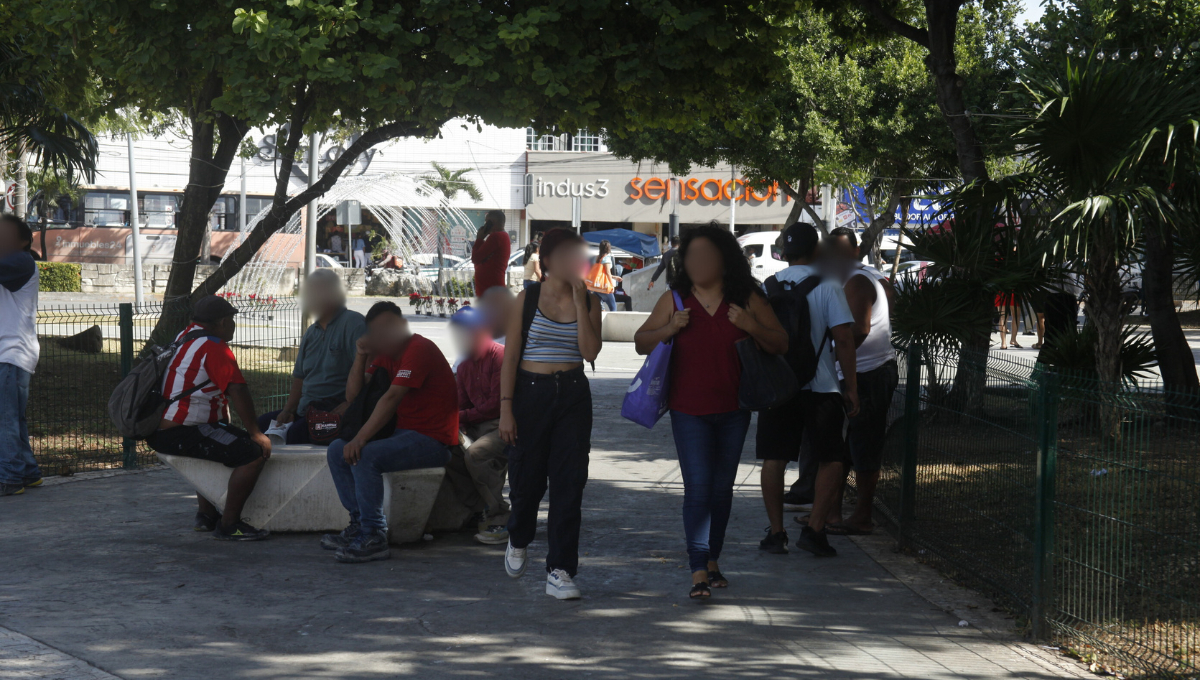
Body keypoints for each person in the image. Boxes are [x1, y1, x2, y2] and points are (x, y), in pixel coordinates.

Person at [635, 225, 787, 599]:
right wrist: (669, 327)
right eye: (692, 255)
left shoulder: (747, 296)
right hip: (688, 411)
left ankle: (713, 559)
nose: (699, 262)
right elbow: (641, 342)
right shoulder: (676, 299)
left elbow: (780, 342)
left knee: (721, 491)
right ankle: (698, 568)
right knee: (699, 489)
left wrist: (750, 325)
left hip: (735, 410)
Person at [498, 227, 603, 600]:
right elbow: (510, 356)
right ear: (547, 261)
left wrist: (579, 301)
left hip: (573, 395)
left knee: (569, 483)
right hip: (529, 394)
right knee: (526, 482)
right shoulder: (525, 299)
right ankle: (519, 534)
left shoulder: (589, 301)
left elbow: (590, 352)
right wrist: (506, 409)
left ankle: (560, 570)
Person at [323, 302, 457, 563]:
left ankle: (374, 534)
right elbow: (353, 396)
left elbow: (392, 397)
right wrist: (361, 354)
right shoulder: (385, 353)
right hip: (403, 433)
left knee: (367, 454)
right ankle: (359, 523)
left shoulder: (419, 349)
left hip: (434, 440)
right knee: (336, 450)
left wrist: (361, 438)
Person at [757, 222, 859, 558]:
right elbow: (843, 338)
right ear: (815, 251)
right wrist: (852, 388)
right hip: (821, 386)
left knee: (774, 459)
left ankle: (776, 534)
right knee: (831, 459)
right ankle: (815, 531)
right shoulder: (828, 285)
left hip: (778, 386)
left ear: (783, 252)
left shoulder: (767, 287)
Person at [146, 295, 272, 540]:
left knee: (216, 443)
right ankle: (230, 524)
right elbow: (237, 389)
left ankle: (205, 515)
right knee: (252, 454)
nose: (234, 326)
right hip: (182, 430)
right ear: (223, 322)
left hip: (164, 429)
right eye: (233, 320)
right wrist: (256, 434)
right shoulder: (213, 346)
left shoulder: (185, 336)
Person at [822, 227, 898, 536]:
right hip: (849, 374)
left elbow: (857, 331)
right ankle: (831, 513)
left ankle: (863, 515)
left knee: (864, 446)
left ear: (855, 252)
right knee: (838, 448)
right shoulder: (838, 280)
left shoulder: (857, 281)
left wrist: (826, 355)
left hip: (869, 373)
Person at [257, 269, 366, 444]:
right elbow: (299, 377)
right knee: (259, 427)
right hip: (305, 409)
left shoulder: (353, 323)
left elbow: (370, 371)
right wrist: (288, 410)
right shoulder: (311, 332)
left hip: (333, 409)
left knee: (294, 437)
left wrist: (351, 404)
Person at [444, 306, 510, 545]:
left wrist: (463, 418)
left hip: (506, 424)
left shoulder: (500, 355)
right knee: (444, 449)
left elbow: (495, 405)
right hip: (478, 423)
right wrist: (457, 422)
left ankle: (499, 515)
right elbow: (461, 403)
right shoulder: (463, 365)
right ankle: (477, 506)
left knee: (476, 454)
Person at [0, 215, 42, 497]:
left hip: (10, 353)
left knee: (5, 420)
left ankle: (11, 478)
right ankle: (28, 472)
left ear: (24, 241)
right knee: (13, 419)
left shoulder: (22, 261)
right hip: (12, 354)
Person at [471, 210, 511, 297]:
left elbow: (475, 258)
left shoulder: (496, 237)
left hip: (490, 290)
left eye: (486, 222)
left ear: (491, 223)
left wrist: (479, 239)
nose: (485, 224)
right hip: (492, 289)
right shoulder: (504, 236)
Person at [589, 239, 621, 311]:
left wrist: (614, 277)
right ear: (609, 248)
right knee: (613, 307)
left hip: (596, 287)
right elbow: (607, 272)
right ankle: (613, 322)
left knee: (600, 308)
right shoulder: (607, 258)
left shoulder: (598, 258)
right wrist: (611, 285)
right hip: (604, 287)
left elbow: (601, 273)